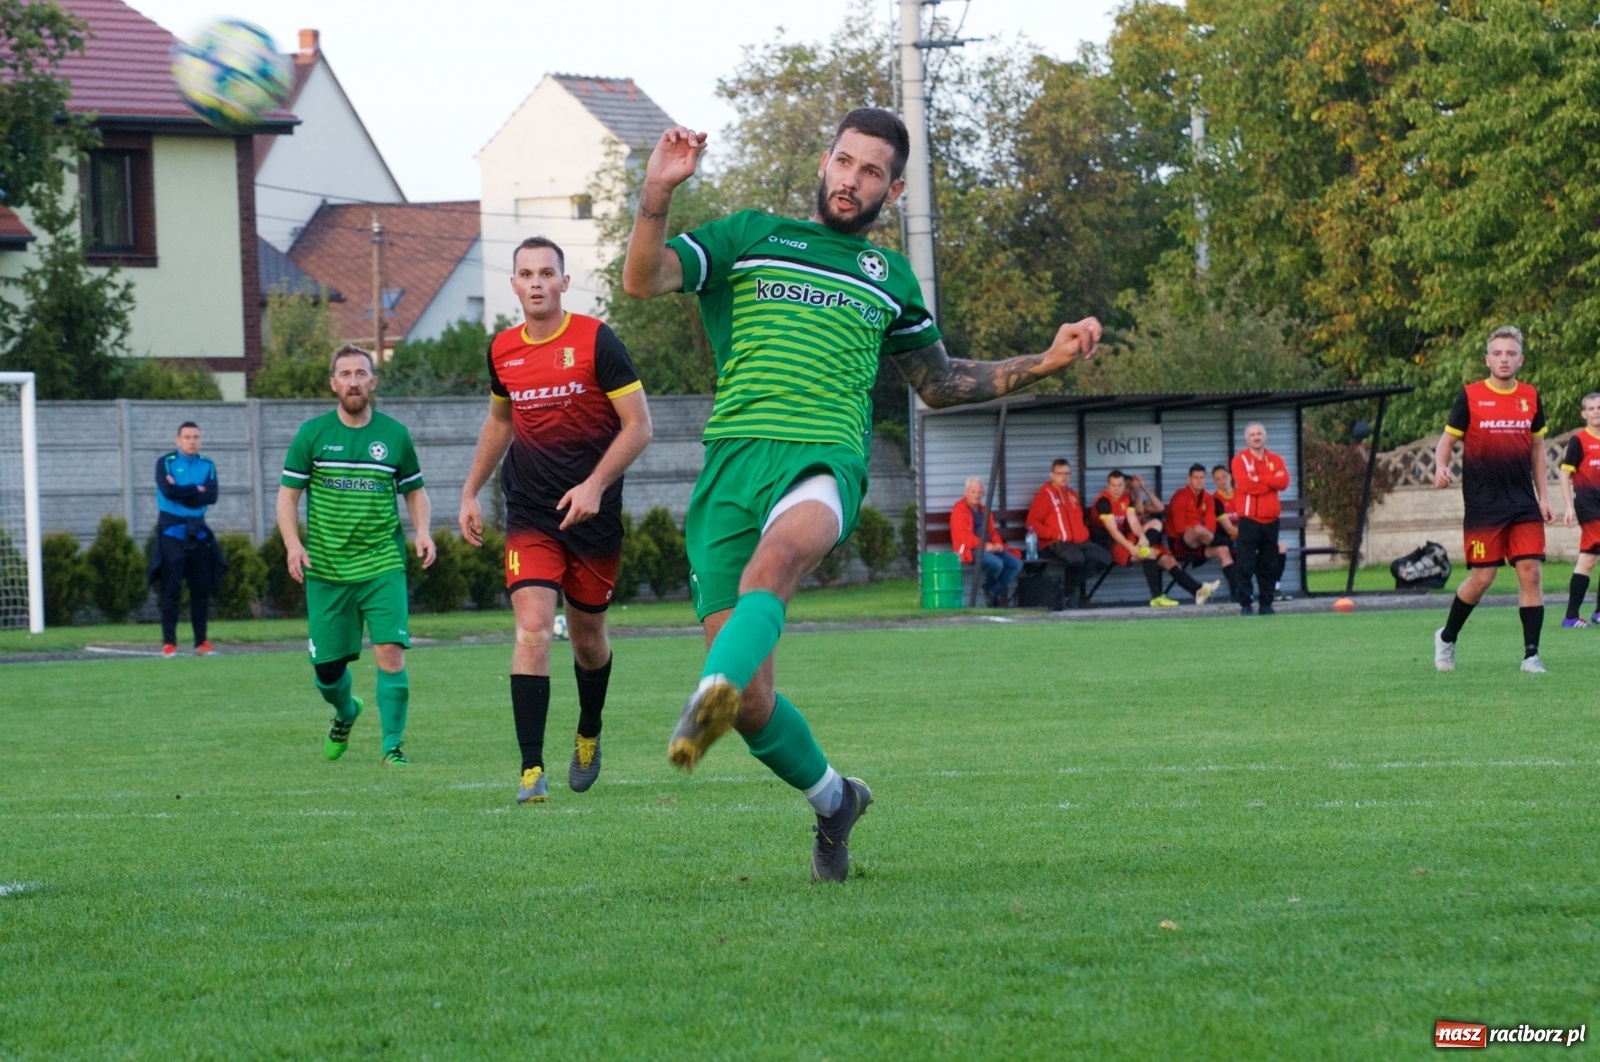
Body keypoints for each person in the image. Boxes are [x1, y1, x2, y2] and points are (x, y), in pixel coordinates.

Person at [622, 108, 1102, 881]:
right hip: (731, 470)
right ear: (824, 161)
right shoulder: (748, 236)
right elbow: (641, 280)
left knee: (773, 567)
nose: (852, 181)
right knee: (754, 706)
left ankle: (711, 685)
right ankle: (835, 799)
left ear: (894, 187)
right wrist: (656, 195)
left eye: (871, 172)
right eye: (845, 163)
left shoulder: (891, 279)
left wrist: (1044, 363)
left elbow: (940, 383)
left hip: (823, 460)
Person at [458, 236, 653, 804]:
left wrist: (595, 486)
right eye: (526, 273)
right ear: (514, 285)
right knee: (533, 629)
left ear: (565, 283)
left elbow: (639, 426)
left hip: (593, 516)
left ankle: (588, 731)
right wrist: (470, 491)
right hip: (530, 513)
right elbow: (500, 421)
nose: (537, 282)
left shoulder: (596, 341)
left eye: (548, 272)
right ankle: (530, 771)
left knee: (588, 638)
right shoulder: (502, 351)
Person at [277, 345, 435, 765]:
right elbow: (287, 497)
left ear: (373, 382)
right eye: (344, 374)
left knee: (390, 652)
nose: (353, 381)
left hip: (382, 563)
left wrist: (422, 531)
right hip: (326, 570)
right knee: (327, 672)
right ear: (333, 383)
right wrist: (294, 545)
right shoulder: (312, 435)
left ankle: (392, 747)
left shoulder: (395, 435)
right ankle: (346, 711)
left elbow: (415, 492)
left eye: (360, 373)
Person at [1432, 326, 1552, 672]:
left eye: (1510, 353)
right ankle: (1447, 636)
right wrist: (1441, 467)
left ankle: (1531, 655)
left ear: (1521, 359)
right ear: (1487, 359)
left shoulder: (1530, 395)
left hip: (1523, 504)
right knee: (1483, 579)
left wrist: (1544, 497)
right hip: (1484, 505)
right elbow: (1446, 443)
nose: (1504, 359)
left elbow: (1538, 450)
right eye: (1497, 353)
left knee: (1530, 574)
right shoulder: (1470, 397)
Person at [1093, 470, 1218, 607]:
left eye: (1120, 485)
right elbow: (1113, 531)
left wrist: (1142, 539)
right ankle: (1156, 597)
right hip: (1110, 544)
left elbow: (1134, 522)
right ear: (1108, 485)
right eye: (1113, 485)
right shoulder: (1103, 502)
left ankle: (1197, 591)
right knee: (1149, 554)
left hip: (1130, 539)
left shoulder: (1126, 499)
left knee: (1167, 559)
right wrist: (1133, 548)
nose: (1117, 489)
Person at [150, 421, 222, 657]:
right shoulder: (166, 463)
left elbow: (211, 496)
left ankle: (201, 642)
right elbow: (169, 492)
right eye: (187, 437)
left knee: (200, 589)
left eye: (196, 437)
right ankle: (169, 643)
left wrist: (187, 492)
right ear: (178, 440)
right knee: (171, 588)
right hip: (172, 532)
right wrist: (196, 489)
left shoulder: (207, 465)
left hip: (198, 533)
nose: (192, 441)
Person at [1025, 458, 1108, 608]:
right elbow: (1031, 523)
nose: (1064, 477)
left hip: (1079, 541)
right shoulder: (1044, 496)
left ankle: (1066, 589)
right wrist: (1053, 534)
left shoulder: (1072, 494)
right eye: (1060, 473)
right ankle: (1070, 595)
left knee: (1104, 558)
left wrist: (1083, 533)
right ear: (1052, 475)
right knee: (1076, 559)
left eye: (1067, 473)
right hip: (1055, 542)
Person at [1231, 423, 1291, 615]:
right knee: (1246, 563)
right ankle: (1246, 604)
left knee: (1269, 564)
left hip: (1271, 519)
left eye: (1259, 434)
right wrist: (1270, 480)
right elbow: (1247, 486)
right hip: (1249, 519)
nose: (1256, 438)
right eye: (1252, 435)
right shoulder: (1240, 460)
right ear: (1246, 439)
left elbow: (1283, 482)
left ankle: (1266, 604)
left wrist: (1260, 478)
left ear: (1265, 437)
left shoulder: (1276, 459)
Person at [1167, 462, 1238, 601]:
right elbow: (1179, 528)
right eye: (1195, 477)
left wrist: (1201, 533)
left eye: (1202, 477)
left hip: (1202, 542)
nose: (1199, 481)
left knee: (1223, 549)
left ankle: (1236, 592)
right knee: (1199, 529)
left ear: (1206, 479)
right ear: (1189, 479)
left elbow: (1211, 527)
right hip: (1180, 543)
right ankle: (1233, 543)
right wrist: (1197, 530)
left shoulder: (1208, 498)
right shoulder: (1180, 496)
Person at [1559, 392, 1600, 628]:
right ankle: (1571, 616)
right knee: (1587, 559)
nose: (1596, 411)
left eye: (1599, 407)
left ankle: (1593, 613)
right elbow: (1565, 474)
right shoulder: (1579, 440)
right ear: (1584, 414)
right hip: (1589, 507)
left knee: (1588, 560)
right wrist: (1567, 506)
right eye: (1591, 408)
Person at [950, 476, 1022, 607]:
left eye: (979, 492)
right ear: (966, 493)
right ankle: (988, 588)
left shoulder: (984, 510)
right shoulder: (959, 511)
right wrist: (985, 545)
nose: (977, 495)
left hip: (988, 547)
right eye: (973, 492)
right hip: (970, 549)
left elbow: (992, 532)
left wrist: (998, 544)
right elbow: (964, 537)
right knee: (997, 564)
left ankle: (992, 591)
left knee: (1016, 564)